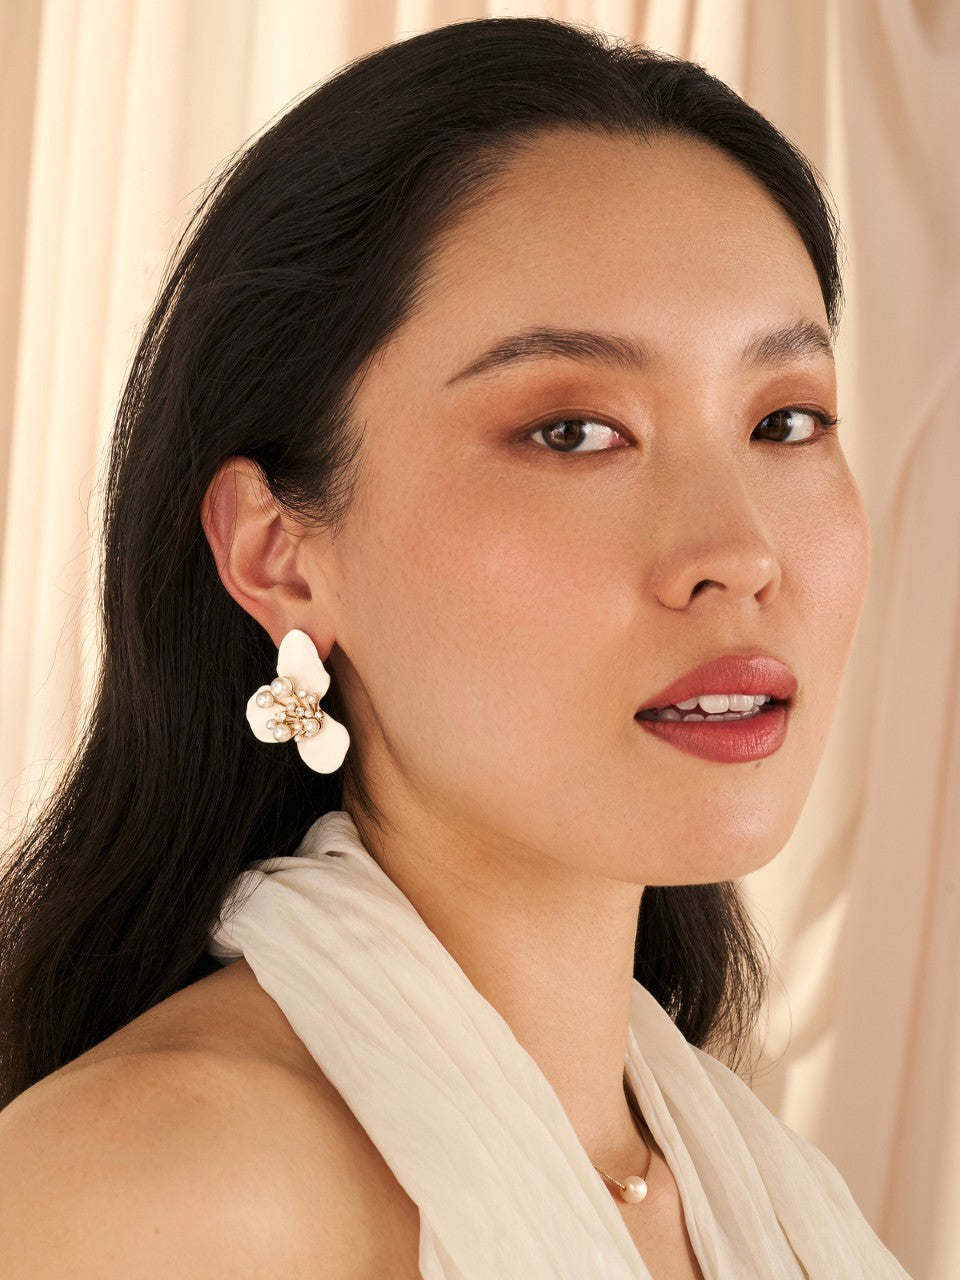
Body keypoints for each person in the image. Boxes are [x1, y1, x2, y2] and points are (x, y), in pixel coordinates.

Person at [0, 15, 911, 1278]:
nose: (740, 550)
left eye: (786, 418)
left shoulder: (748, 1177)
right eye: (574, 432)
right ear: (278, 551)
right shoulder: (159, 1194)